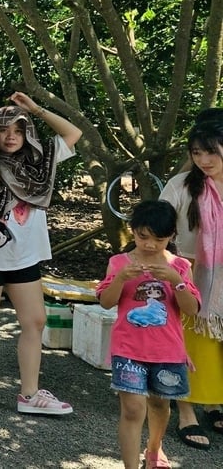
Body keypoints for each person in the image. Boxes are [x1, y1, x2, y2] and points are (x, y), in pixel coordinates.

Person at [0, 92, 82, 416]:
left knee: (35, 321)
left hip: (25, 258)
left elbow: (73, 133)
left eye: (18, 130)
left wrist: (36, 109)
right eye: (4, 130)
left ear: (26, 133)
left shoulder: (39, 162)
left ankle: (29, 394)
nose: (11, 136)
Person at [96, 200, 201, 469]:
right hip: (128, 349)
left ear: (171, 236)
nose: (150, 245)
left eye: (159, 239)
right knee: (132, 409)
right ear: (133, 231)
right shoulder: (119, 263)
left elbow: (191, 310)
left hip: (167, 351)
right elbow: (106, 302)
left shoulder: (179, 266)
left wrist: (175, 281)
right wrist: (121, 278)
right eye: (143, 237)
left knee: (160, 405)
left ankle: (154, 448)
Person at [159, 113, 223, 451]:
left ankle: (213, 402)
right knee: (189, 345)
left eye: (211, 151)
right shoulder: (182, 185)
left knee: (216, 347)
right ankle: (185, 411)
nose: (204, 160)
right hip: (190, 276)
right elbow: (158, 224)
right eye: (197, 152)